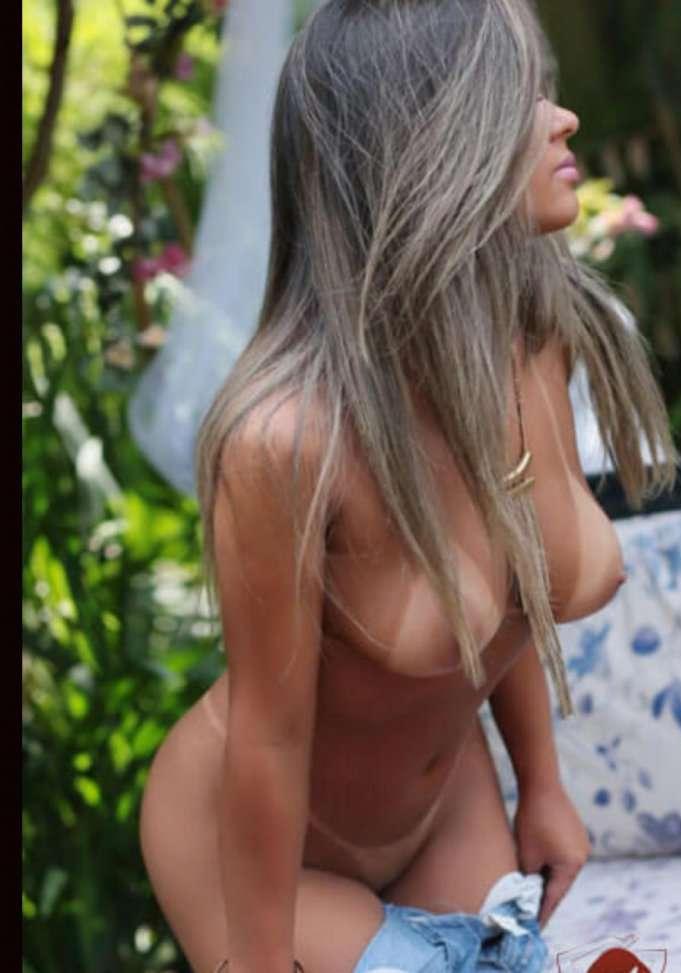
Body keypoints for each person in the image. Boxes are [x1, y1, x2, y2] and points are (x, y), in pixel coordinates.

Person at [138, 1, 678, 971]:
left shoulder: (533, 345)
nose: (563, 119)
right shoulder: (284, 442)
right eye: (520, 99)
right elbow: (268, 740)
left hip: (442, 808)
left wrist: (542, 785)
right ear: (430, 144)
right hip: (252, 847)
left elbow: (513, 583)